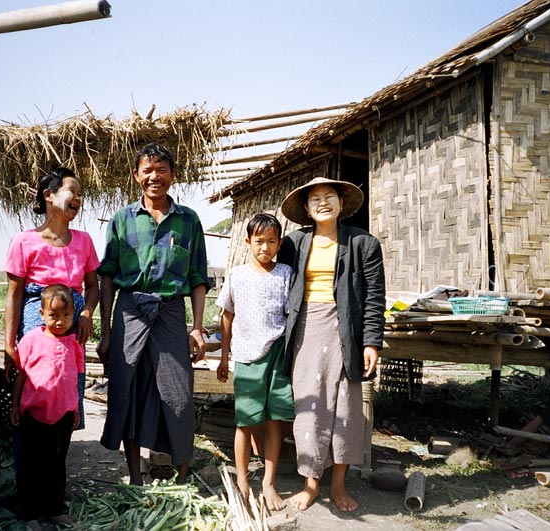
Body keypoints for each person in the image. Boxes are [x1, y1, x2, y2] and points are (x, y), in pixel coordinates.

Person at [97, 142, 210, 485]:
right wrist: (104, 332)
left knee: (179, 394)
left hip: (171, 312)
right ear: (136, 176)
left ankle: (182, 477)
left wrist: (198, 327)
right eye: (147, 170)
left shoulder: (188, 220)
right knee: (128, 391)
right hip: (130, 311)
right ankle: (135, 476)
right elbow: (107, 277)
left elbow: (198, 277)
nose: (154, 177)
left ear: (173, 176)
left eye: (161, 170)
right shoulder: (122, 220)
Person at [277, 176, 385, 512]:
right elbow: (278, 285)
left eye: (329, 197)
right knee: (310, 406)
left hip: (347, 330)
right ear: (307, 210)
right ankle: (310, 484)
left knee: (346, 408)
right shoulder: (293, 243)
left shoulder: (363, 243)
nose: (323, 203)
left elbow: (374, 297)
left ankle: (338, 485)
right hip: (306, 329)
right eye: (315, 199)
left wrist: (371, 342)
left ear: (341, 204)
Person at [3, 167, 100, 429]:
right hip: (36, 327)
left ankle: (62, 447)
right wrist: (10, 343)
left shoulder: (84, 241)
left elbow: (93, 287)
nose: (78, 199)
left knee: (68, 381)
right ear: (49, 194)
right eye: (72, 192)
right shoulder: (24, 241)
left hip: (73, 328)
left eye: (81, 195)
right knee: (35, 387)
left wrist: (86, 313)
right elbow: (14, 295)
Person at [215, 212, 294, 511]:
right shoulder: (236, 275)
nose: (265, 247)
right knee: (245, 422)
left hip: (277, 353)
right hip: (247, 355)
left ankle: (269, 482)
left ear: (280, 243)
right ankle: (243, 481)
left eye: (271, 241)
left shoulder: (285, 273)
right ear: (247, 242)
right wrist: (224, 357)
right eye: (259, 241)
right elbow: (227, 317)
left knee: (275, 420)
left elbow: (292, 316)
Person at [10, 284, 83, 529]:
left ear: (73, 314)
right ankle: (29, 513)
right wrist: (14, 406)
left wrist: (76, 408)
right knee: (30, 465)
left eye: (65, 315)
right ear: (41, 314)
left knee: (56, 465)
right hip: (33, 415)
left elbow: (74, 379)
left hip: (62, 417)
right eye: (54, 315)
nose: (60, 321)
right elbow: (20, 376)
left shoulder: (74, 345)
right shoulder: (30, 341)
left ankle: (54, 510)